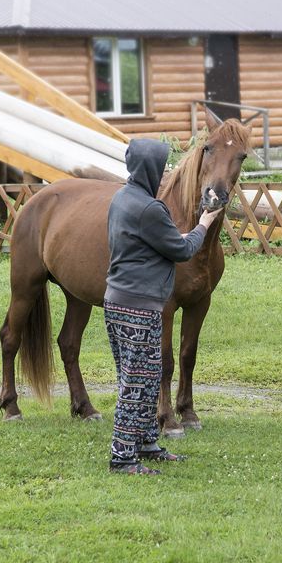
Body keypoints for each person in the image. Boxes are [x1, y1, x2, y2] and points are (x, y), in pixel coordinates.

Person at [104, 138, 222, 475]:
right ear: (151, 168)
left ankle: (146, 443)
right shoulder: (149, 209)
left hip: (120, 301)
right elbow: (182, 250)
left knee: (146, 376)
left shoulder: (122, 198)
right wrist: (205, 221)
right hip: (138, 307)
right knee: (136, 384)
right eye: (162, 164)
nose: (165, 172)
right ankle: (122, 457)